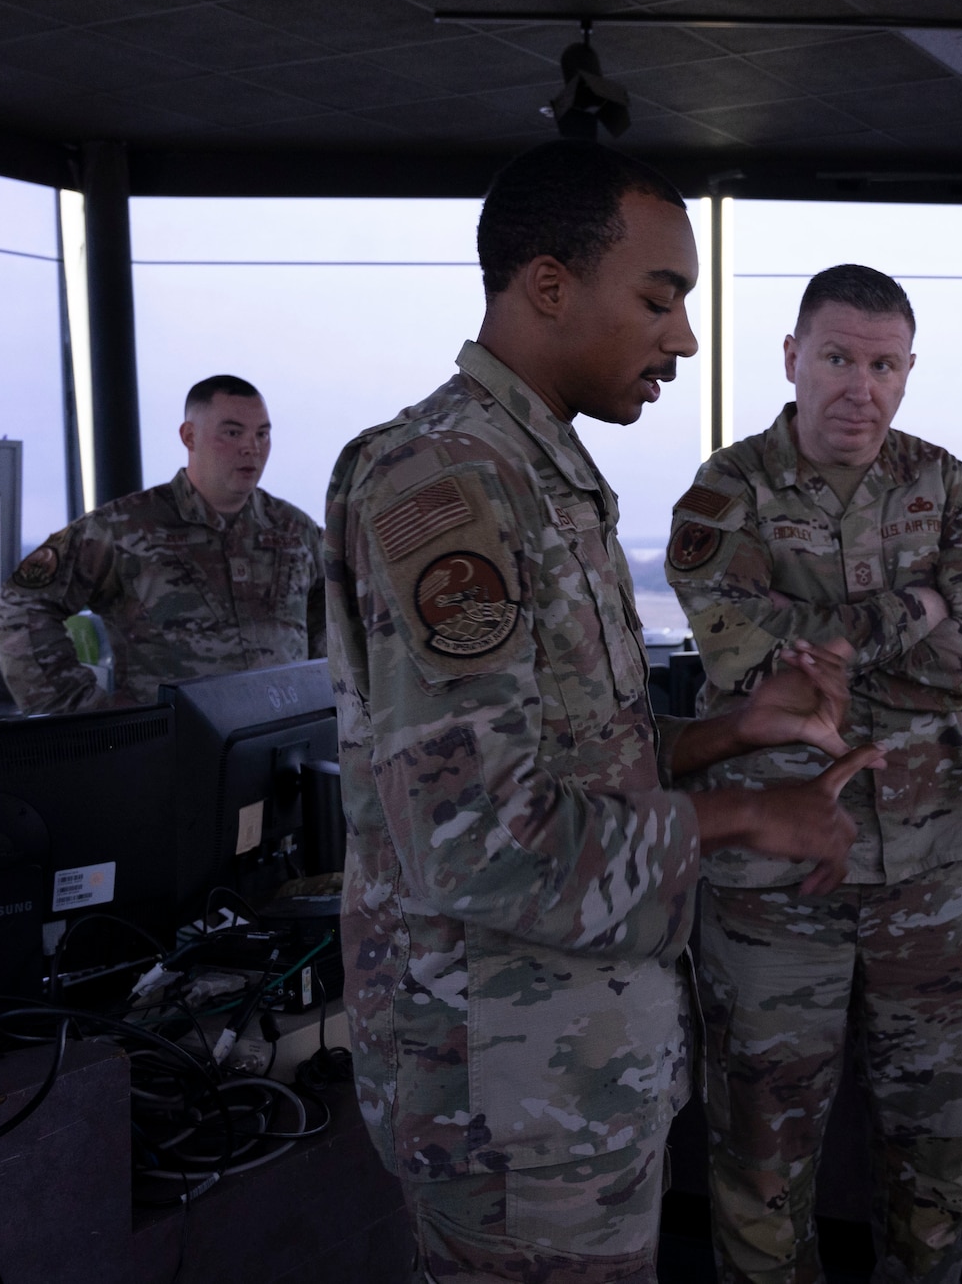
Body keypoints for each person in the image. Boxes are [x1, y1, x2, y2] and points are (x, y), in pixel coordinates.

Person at [324, 143, 883, 1284]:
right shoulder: (443, 488)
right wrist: (747, 818)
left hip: (571, 1070)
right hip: (506, 1102)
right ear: (547, 287)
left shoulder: (540, 476)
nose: (681, 336)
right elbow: (477, 842)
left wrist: (734, 731)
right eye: (658, 297)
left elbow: (577, 759)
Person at [665, 264, 962, 1283]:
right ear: (791, 358)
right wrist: (923, 608)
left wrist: (833, 641)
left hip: (924, 877)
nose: (858, 385)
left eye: (882, 363)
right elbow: (745, 657)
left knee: (942, 1150)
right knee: (762, 1172)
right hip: (772, 889)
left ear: (906, 372)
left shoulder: (941, 481)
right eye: (836, 357)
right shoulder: (724, 491)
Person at [0, 375, 323, 713]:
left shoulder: (295, 529)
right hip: (171, 751)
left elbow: (337, 609)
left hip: (286, 745)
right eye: (233, 433)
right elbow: (17, 607)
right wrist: (82, 711)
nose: (252, 447)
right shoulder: (125, 528)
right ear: (189, 436)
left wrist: (327, 693)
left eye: (262, 434)